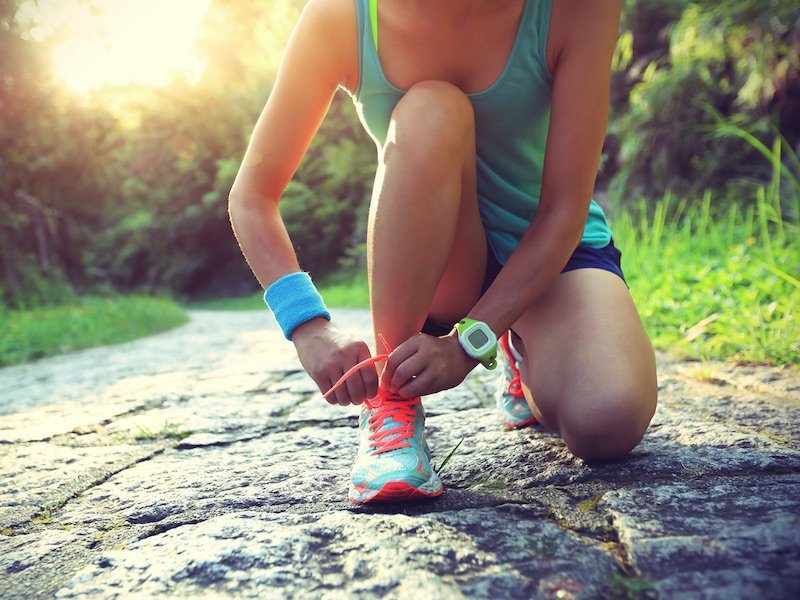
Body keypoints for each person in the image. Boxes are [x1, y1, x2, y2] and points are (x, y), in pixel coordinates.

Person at [228, 0, 658, 504]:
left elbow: (563, 211)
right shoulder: (340, 17)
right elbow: (253, 197)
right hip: (447, 260)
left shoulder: (577, 9)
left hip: (548, 253)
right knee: (432, 105)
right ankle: (391, 403)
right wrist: (307, 325)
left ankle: (516, 346)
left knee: (607, 421)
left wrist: (470, 342)